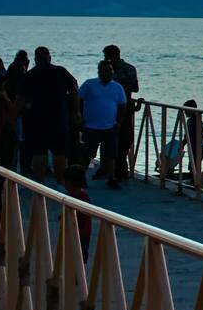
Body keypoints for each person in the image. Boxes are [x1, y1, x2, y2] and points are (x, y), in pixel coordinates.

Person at [21, 47, 78, 183]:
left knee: (39, 152)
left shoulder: (30, 75)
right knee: (60, 153)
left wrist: (13, 116)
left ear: (35, 59)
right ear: (49, 58)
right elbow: (74, 89)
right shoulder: (60, 71)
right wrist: (76, 111)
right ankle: (61, 183)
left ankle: (40, 184)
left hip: (37, 119)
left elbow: (20, 98)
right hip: (59, 119)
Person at [77, 60, 128, 188]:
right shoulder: (90, 84)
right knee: (87, 154)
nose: (109, 72)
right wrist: (78, 115)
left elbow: (122, 105)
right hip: (91, 125)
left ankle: (111, 178)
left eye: (110, 70)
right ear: (99, 71)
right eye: (105, 70)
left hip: (110, 126)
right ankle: (80, 178)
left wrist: (119, 122)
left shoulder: (117, 87)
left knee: (111, 154)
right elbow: (78, 99)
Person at [103, 45, 140, 180]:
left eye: (107, 56)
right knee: (108, 139)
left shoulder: (128, 69)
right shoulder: (107, 69)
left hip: (123, 107)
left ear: (114, 56)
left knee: (124, 139)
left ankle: (120, 171)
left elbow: (135, 88)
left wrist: (117, 86)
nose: (106, 59)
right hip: (108, 107)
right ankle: (109, 170)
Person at [60, 164, 93, 260]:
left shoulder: (81, 197)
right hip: (75, 230)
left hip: (81, 233)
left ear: (69, 183)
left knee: (78, 257)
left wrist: (85, 233)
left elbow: (87, 218)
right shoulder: (77, 196)